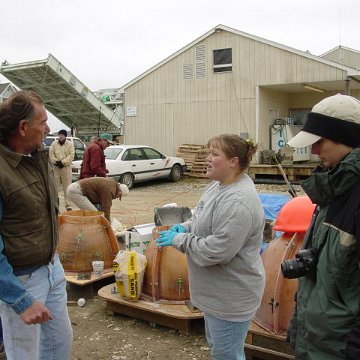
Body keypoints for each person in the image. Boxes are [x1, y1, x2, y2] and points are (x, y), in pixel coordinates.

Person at [156, 134, 265, 360]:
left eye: (214, 154)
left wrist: (179, 241)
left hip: (230, 299)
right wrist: (185, 227)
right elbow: (202, 216)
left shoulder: (238, 201)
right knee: (222, 349)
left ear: (233, 161)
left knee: (227, 355)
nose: (207, 158)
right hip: (216, 295)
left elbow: (217, 251)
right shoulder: (219, 185)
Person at [286, 93, 360, 359]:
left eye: (320, 141)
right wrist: (299, 326)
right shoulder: (332, 190)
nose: (314, 150)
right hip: (318, 343)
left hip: (341, 348)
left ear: (346, 139)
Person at [0, 90, 73, 359]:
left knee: (58, 344)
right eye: (42, 122)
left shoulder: (35, 156)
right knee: (24, 354)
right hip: (21, 280)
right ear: (22, 127)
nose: (48, 128)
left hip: (50, 268)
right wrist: (19, 299)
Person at [49, 129, 75, 211]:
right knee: (55, 186)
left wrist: (63, 163)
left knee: (67, 186)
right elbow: (51, 154)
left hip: (66, 168)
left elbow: (71, 155)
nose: (60, 136)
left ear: (65, 136)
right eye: (59, 134)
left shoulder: (70, 144)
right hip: (56, 168)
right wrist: (56, 162)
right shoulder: (54, 144)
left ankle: (68, 205)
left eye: (62, 135)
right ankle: (55, 203)